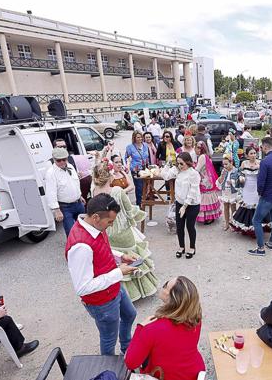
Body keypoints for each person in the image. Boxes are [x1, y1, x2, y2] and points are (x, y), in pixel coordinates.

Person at [64, 193, 139, 355]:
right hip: (101, 302)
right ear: (96, 217)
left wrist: (120, 256)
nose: (111, 225)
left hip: (113, 288)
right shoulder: (80, 246)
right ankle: (109, 369)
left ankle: (127, 348)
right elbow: (83, 287)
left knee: (130, 314)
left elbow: (101, 249)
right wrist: (118, 273)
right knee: (108, 338)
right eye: (110, 222)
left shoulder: (95, 226)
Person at [91, 162, 158, 301]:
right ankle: (139, 291)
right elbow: (129, 210)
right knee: (132, 258)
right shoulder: (117, 190)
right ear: (110, 176)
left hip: (106, 232)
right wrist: (139, 215)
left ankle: (123, 294)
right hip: (122, 230)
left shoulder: (94, 192)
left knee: (115, 261)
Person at [125, 276, 205, 380]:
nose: (162, 287)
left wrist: (140, 328)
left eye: (165, 285)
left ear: (171, 297)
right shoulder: (195, 319)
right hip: (194, 373)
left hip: (164, 375)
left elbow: (131, 363)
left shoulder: (152, 329)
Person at [247, 137, 272, 257]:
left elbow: (261, 181)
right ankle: (271, 242)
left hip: (268, 195)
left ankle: (260, 248)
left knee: (256, 220)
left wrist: (260, 192)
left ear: (264, 147)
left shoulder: (265, 161)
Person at [161, 153, 201, 259]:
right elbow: (165, 176)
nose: (179, 165)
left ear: (188, 162)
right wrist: (168, 164)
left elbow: (193, 191)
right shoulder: (177, 170)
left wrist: (185, 206)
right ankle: (181, 247)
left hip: (192, 204)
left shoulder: (194, 174)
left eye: (181, 163)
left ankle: (192, 247)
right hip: (179, 202)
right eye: (177, 163)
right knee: (179, 226)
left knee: (190, 226)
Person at [45, 147, 85, 236]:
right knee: (71, 232)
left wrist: (80, 196)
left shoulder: (70, 166)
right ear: (54, 159)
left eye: (64, 159)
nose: (62, 162)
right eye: (59, 160)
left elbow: (75, 183)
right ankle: (73, 249)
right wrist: (56, 210)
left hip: (78, 203)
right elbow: (51, 193)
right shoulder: (51, 173)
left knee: (84, 228)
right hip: (65, 208)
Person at [230, 146, 266, 236]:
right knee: (246, 205)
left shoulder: (260, 163)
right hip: (246, 187)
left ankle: (256, 229)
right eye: (251, 153)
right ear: (247, 155)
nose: (253, 155)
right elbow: (239, 173)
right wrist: (241, 177)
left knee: (256, 206)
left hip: (256, 188)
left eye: (254, 153)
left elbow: (264, 176)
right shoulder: (244, 163)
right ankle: (246, 228)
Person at [195, 141, 222, 224]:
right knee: (208, 197)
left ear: (199, 149)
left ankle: (209, 217)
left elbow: (197, 169)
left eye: (195, 148)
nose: (195, 150)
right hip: (207, 179)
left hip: (205, 181)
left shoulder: (202, 157)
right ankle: (210, 216)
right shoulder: (205, 156)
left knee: (205, 198)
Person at [125, 131, 150, 207]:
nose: (140, 139)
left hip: (145, 168)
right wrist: (127, 166)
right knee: (139, 187)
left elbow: (147, 157)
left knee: (145, 186)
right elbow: (126, 158)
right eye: (138, 137)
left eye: (141, 137)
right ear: (134, 138)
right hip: (136, 169)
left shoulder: (145, 145)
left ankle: (144, 201)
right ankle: (139, 203)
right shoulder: (130, 147)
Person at [216, 154, 240, 230]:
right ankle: (226, 223)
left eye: (226, 164)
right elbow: (219, 182)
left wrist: (232, 182)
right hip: (225, 190)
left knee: (233, 207)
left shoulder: (236, 170)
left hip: (232, 192)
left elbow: (239, 183)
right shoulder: (224, 171)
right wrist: (221, 176)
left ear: (231, 162)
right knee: (225, 207)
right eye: (224, 164)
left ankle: (233, 223)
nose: (225, 166)